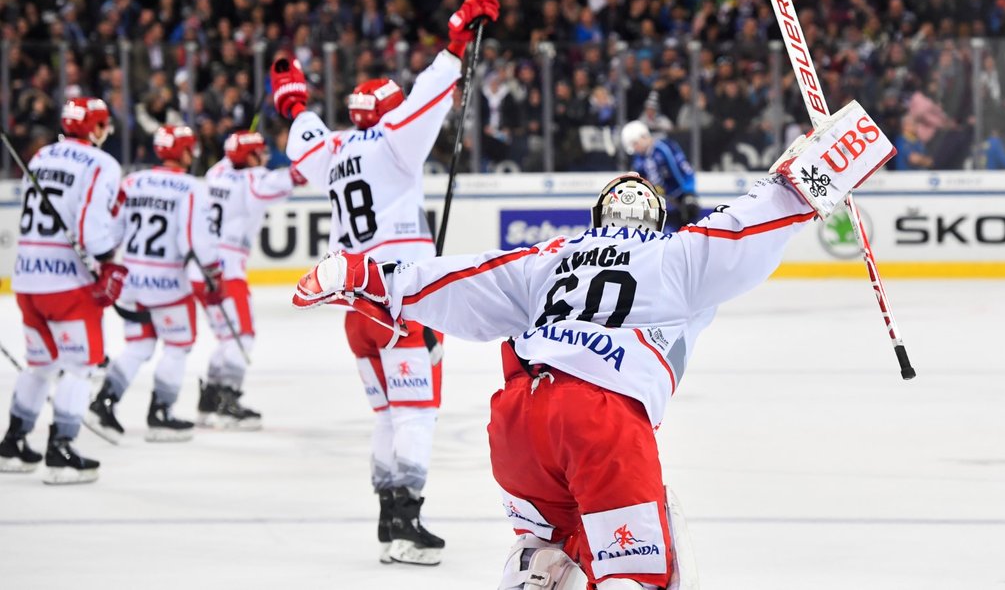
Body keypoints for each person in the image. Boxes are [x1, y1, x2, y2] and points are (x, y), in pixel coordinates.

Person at [291, 111, 896, 589]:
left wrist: (368, 275)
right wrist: (836, 156)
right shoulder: (675, 255)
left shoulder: (549, 256)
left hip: (519, 422)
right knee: (639, 569)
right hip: (603, 418)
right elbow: (759, 214)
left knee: (544, 552)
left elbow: (461, 281)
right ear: (655, 217)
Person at [272, 0, 500, 566]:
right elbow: (427, 102)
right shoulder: (393, 144)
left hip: (355, 306)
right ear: (387, 113)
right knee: (416, 412)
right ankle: (408, 520)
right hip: (399, 301)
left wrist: (294, 102)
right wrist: (455, 47)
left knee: (385, 414)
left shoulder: (336, 149)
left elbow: (304, 141)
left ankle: (386, 517)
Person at [0, 97, 126, 484]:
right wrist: (107, 261)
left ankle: (14, 443)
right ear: (95, 127)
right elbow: (90, 229)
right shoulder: (101, 163)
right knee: (79, 366)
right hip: (68, 284)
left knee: (40, 364)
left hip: (27, 278)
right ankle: (61, 449)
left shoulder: (39, 158)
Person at [85, 125, 223, 444]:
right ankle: (161, 412)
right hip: (168, 284)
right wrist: (214, 275)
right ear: (184, 152)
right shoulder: (190, 186)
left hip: (131, 280)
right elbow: (194, 239)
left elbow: (112, 231)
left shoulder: (131, 181)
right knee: (177, 346)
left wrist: (101, 267)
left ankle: (103, 403)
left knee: (139, 345)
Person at [190, 131, 303, 430]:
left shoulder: (216, 173)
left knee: (227, 338)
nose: (264, 158)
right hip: (228, 270)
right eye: (259, 153)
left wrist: (240, 148)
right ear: (249, 158)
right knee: (243, 336)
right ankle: (229, 401)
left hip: (201, 269)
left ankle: (210, 398)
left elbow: (233, 160)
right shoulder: (254, 181)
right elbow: (295, 176)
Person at [621, 120, 701, 229]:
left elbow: (685, 170)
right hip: (662, 207)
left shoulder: (664, 148)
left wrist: (688, 194)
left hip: (682, 202)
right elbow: (639, 182)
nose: (635, 149)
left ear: (643, 136)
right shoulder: (638, 159)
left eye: (635, 144)